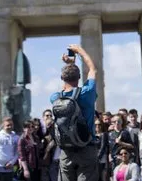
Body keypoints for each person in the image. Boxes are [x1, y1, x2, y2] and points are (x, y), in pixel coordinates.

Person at [49, 44, 98, 181]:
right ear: (79, 77)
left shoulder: (55, 97)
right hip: (86, 147)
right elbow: (93, 70)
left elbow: (67, 93)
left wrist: (70, 65)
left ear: (62, 78)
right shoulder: (86, 93)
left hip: (66, 150)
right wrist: (80, 51)